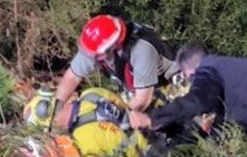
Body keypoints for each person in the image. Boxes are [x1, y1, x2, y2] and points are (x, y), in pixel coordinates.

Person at [22, 87, 174, 157]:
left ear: (53, 122)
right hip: (161, 146)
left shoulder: (83, 138)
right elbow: (127, 108)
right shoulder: (92, 94)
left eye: (50, 130)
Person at [53, 15, 181, 113]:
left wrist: (113, 122)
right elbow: (72, 77)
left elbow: (142, 100)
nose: (90, 57)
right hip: (139, 90)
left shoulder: (141, 50)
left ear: (114, 46)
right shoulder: (95, 46)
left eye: (96, 55)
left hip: (172, 86)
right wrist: (56, 110)